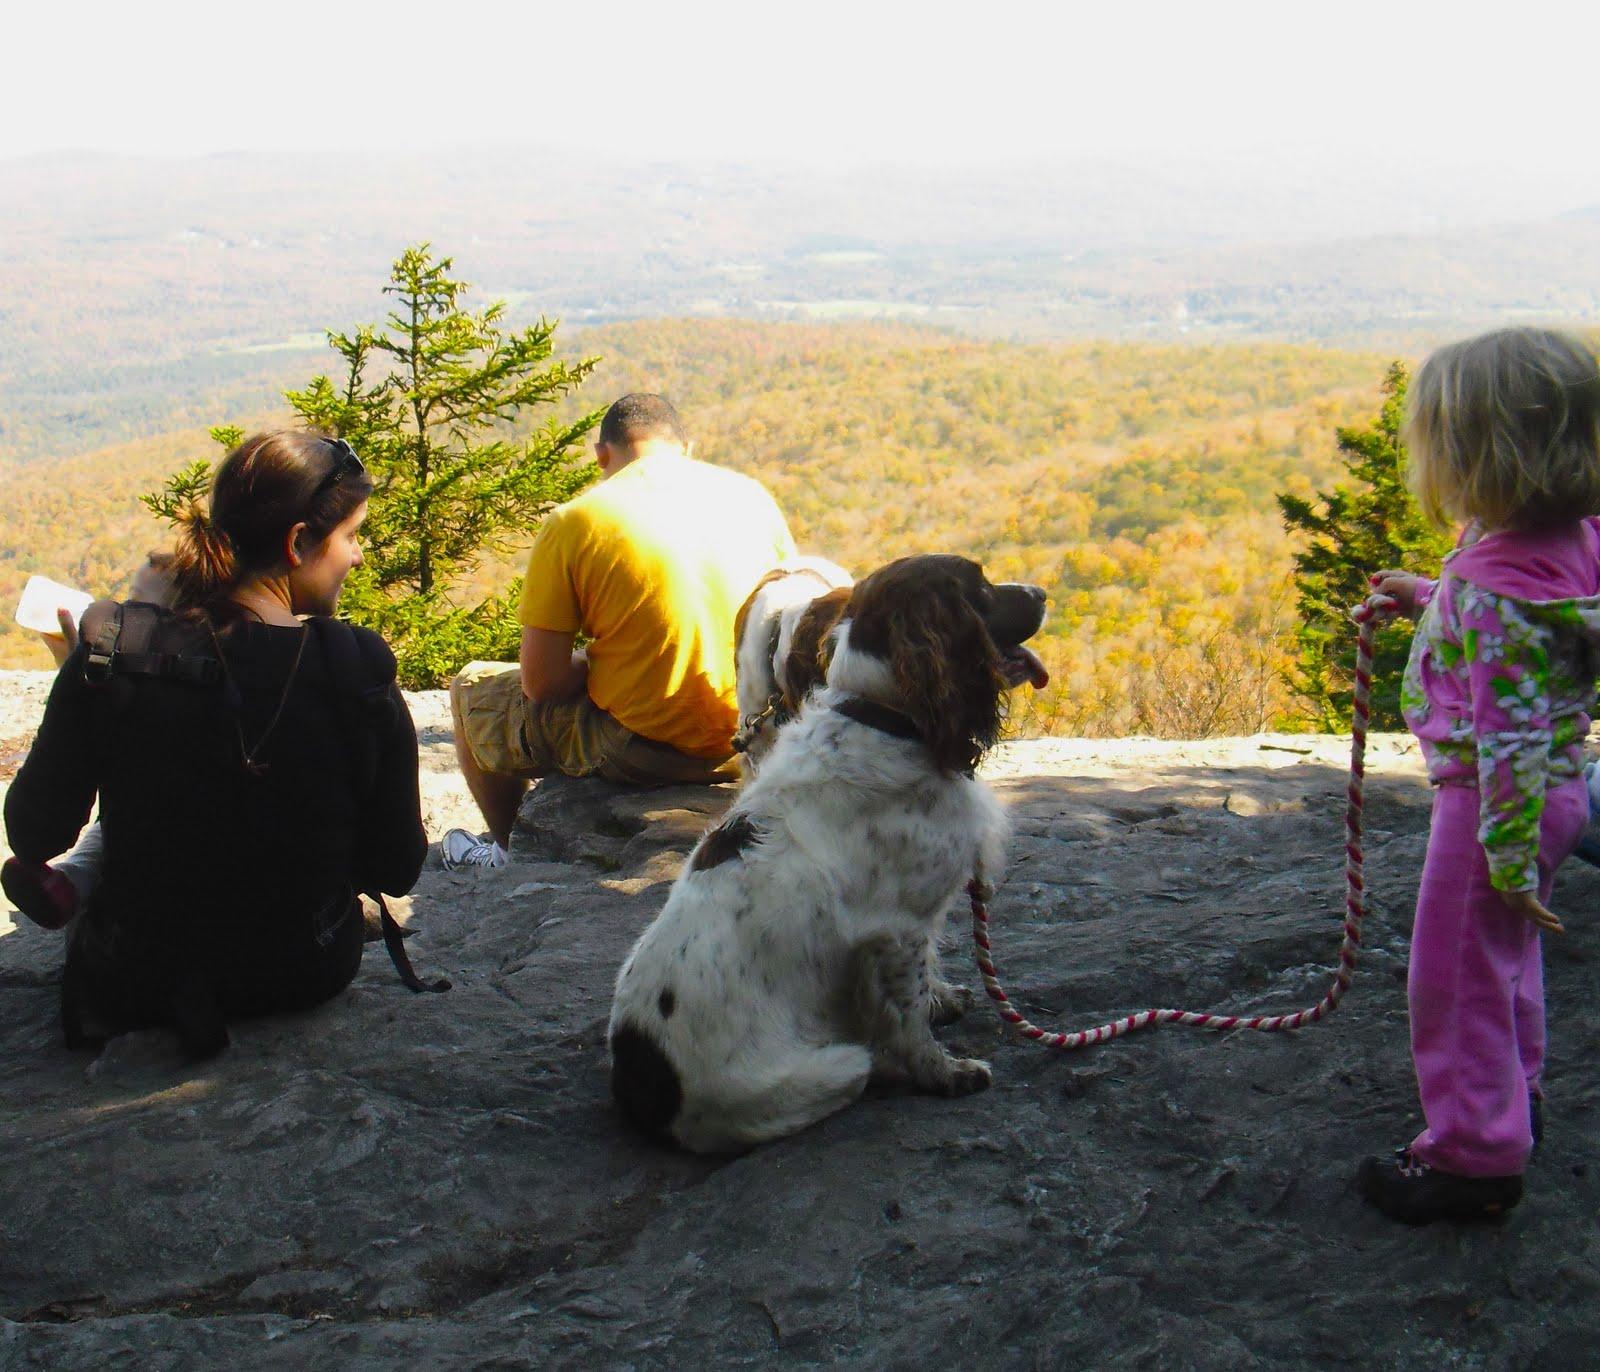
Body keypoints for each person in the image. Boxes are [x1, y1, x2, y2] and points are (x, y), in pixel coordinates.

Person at [3, 431, 427, 1056]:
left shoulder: (114, 648)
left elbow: (33, 833)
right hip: (303, 970)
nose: (357, 557)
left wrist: (90, 672)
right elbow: (395, 866)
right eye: (351, 537)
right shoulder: (355, 666)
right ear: (299, 543)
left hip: (135, 976)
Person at [1358, 327, 1600, 1224]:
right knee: (1505, 956)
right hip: (1557, 788)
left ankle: (1471, 1156)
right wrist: (1434, 595)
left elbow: (1505, 729)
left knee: (1452, 975)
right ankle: (1513, 1097)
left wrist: (1499, 850)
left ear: (1474, 455)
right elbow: (1535, 627)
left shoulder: (1497, 589)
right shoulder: (1565, 540)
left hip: (1497, 801)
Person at [445, 393, 796, 869]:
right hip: (749, 742)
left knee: (470, 689)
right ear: (686, 449)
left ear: (602, 455)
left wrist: (601, 662)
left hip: (646, 751)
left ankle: (508, 855)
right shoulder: (753, 497)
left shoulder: (577, 519)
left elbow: (540, 682)